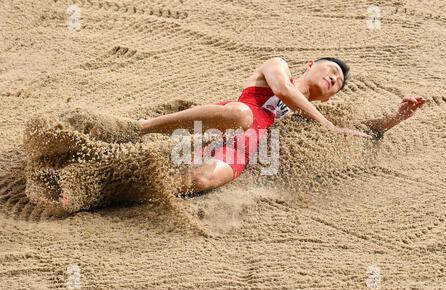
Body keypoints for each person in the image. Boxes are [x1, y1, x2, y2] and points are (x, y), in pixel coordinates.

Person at [129, 57, 426, 195]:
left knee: (202, 181)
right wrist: (327, 124)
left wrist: (397, 117)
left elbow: (363, 132)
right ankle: (141, 128)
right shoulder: (278, 66)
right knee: (242, 117)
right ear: (310, 64)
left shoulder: (309, 116)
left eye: (338, 84)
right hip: (230, 117)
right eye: (332, 70)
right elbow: (283, 90)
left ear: (329, 98)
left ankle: (133, 187)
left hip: (243, 147)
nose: (335, 79)